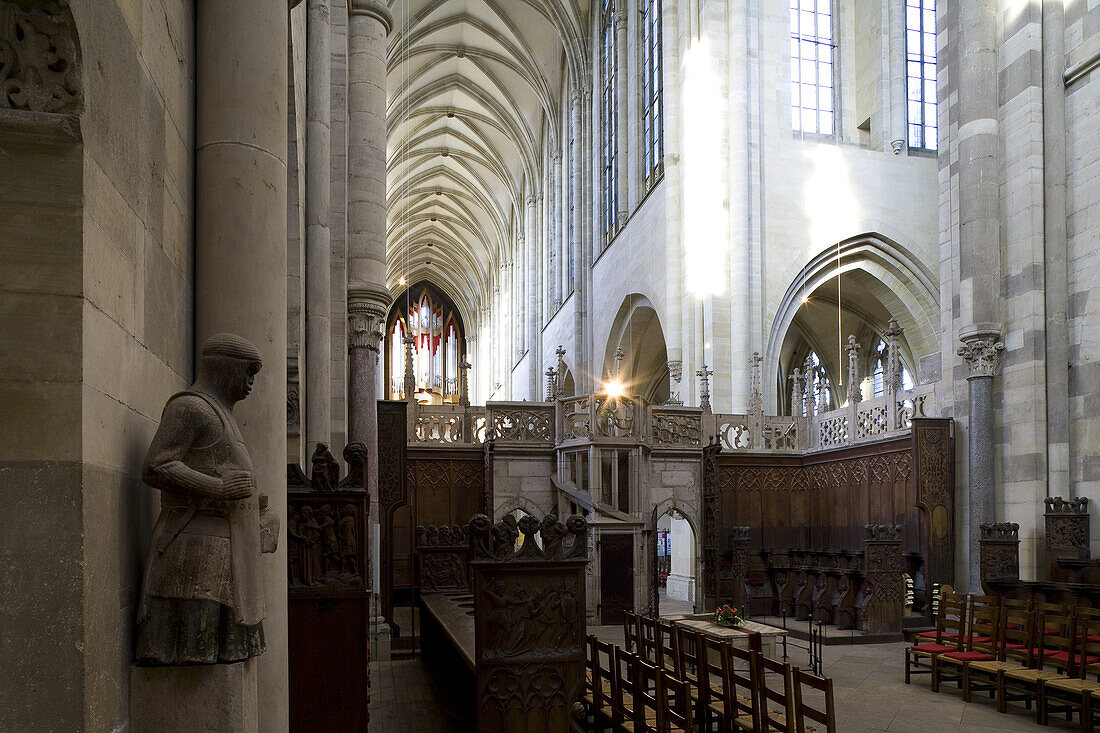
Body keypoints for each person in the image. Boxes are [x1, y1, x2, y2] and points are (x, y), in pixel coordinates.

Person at [136, 333, 278, 665]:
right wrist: (218, 489)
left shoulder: (222, 413)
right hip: (193, 546)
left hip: (224, 548)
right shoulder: (191, 407)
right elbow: (156, 466)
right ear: (226, 368)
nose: (250, 383)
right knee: (196, 653)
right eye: (247, 372)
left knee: (227, 656)